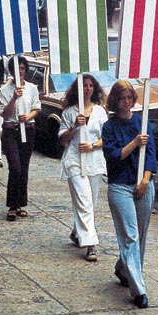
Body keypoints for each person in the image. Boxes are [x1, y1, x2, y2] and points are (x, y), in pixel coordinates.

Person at [102, 80, 157, 309]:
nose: (126, 102)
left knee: (141, 236)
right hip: (119, 186)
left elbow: (152, 155)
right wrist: (134, 143)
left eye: (129, 98)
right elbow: (114, 156)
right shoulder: (109, 127)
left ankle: (124, 269)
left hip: (142, 184)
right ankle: (138, 290)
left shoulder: (142, 122)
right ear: (115, 101)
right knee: (130, 236)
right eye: (122, 98)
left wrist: (145, 181)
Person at [58, 74, 108, 262]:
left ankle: (76, 232)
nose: (87, 89)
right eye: (84, 86)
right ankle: (91, 244)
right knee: (84, 201)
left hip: (94, 161)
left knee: (90, 204)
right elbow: (62, 138)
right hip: (74, 161)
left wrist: (93, 145)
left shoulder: (100, 112)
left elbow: (107, 138)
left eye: (90, 86)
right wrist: (73, 127)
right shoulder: (70, 112)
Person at [0, 56, 41, 221]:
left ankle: (20, 203)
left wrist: (28, 116)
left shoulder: (32, 88)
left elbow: (37, 108)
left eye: (22, 68)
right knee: (15, 167)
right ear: (11, 71)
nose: (20, 71)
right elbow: (5, 113)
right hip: (11, 131)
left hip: (28, 130)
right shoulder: (5, 90)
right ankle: (12, 204)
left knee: (24, 168)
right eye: (17, 68)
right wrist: (14, 98)